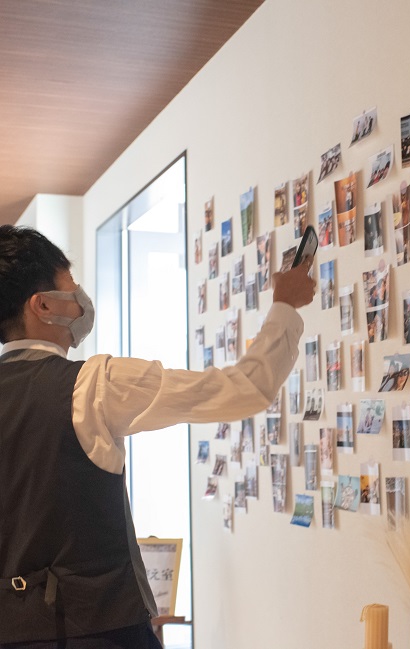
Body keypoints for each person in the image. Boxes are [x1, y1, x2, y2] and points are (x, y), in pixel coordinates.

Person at [0, 225, 315, 647]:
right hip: (102, 631)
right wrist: (285, 305)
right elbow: (246, 387)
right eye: (71, 287)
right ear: (42, 305)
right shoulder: (95, 384)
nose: (80, 299)